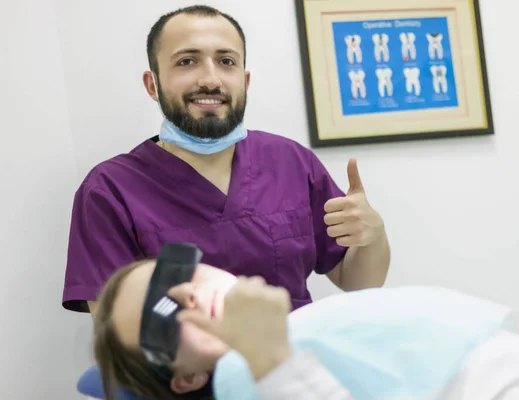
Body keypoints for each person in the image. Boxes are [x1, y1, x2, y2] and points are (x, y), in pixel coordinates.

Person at [61, 5, 391, 317]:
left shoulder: (291, 162)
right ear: (153, 84)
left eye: (226, 62)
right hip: (182, 376)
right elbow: (115, 326)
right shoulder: (110, 189)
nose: (210, 79)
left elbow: (358, 281)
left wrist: (373, 235)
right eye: (187, 61)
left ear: (245, 82)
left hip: (291, 367)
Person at [92, 249, 519, 400]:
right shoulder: (247, 378)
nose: (192, 295)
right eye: (165, 314)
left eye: (179, 273)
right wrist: (269, 360)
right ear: (184, 378)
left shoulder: (301, 332)